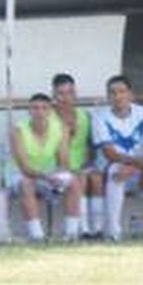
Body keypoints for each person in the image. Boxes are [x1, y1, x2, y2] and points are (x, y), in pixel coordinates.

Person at [92, 74, 143, 241]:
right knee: (116, 169)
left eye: (122, 91)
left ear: (130, 94)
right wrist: (137, 165)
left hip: (138, 167)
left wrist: (137, 167)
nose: (117, 96)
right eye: (112, 92)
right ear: (108, 96)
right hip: (111, 167)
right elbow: (110, 154)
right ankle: (114, 232)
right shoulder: (99, 116)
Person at [10, 93, 81, 242]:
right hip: (19, 175)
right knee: (26, 183)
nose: (39, 112)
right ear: (29, 111)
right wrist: (47, 177)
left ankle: (71, 234)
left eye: (44, 108)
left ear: (50, 111)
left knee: (74, 181)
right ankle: (37, 236)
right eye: (35, 108)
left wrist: (59, 175)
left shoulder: (61, 128)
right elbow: (24, 167)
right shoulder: (18, 130)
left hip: (47, 174)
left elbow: (63, 160)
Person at [51, 72, 103, 239]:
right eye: (61, 93)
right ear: (54, 95)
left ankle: (98, 230)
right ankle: (84, 230)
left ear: (75, 93)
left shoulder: (85, 116)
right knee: (78, 179)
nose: (66, 98)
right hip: (56, 167)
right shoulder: (48, 117)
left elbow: (91, 145)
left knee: (96, 177)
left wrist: (89, 163)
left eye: (70, 93)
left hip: (81, 165)